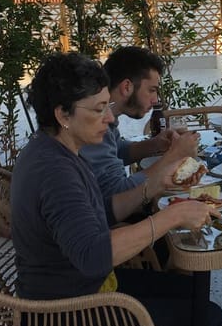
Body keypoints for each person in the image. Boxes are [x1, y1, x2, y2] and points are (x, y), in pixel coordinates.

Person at [11, 52, 222, 326]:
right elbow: (95, 256)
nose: (111, 118)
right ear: (63, 113)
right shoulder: (57, 172)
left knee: (193, 290)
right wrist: (169, 217)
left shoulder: (56, 151)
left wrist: (155, 184)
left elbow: (103, 213)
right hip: (66, 310)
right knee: (204, 317)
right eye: (99, 109)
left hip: (69, 288)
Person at [80, 45, 200, 226]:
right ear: (127, 87)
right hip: (108, 228)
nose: (156, 99)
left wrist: (155, 145)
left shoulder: (107, 118)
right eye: (152, 90)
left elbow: (116, 150)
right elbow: (119, 194)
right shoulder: (93, 126)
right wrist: (174, 156)